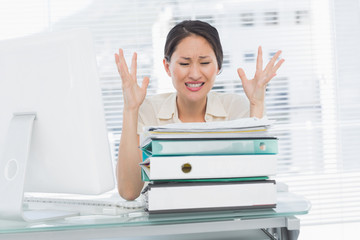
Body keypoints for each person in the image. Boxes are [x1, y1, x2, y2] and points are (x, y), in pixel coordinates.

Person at [114, 20, 284, 200]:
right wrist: (130, 109)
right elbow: (129, 192)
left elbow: (255, 186)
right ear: (167, 67)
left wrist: (257, 104)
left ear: (218, 65)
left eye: (204, 63)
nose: (195, 74)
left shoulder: (237, 108)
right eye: (185, 64)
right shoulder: (148, 110)